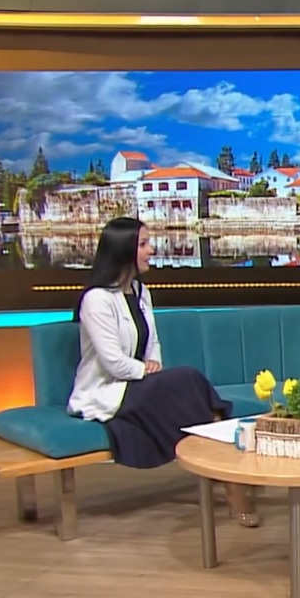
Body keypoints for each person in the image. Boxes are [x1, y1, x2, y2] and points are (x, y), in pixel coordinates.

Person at [67, 217, 260, 527]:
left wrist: (152, 366)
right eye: (143, 244)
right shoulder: (96, 299)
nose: (151, 250)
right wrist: (146, 370)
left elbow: (152, 343)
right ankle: (233, 484)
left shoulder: (141, 292)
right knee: (188, 381)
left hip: (141, 383)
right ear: (123, 249)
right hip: (108, 390)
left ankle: (230, 481)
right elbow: (112, 362)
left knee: (188, 388)